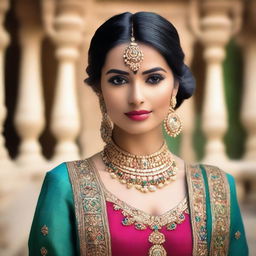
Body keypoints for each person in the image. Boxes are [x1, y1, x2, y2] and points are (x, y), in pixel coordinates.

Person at [28, 12, 248, 256]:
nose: (136, 97)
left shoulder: (217, 188)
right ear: (99, 88)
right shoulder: (65, 185)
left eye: (153, 79)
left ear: (175, 85)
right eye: (118, 80)